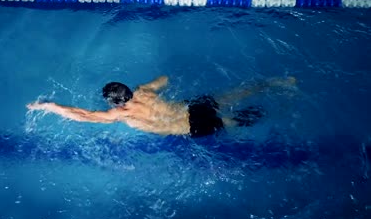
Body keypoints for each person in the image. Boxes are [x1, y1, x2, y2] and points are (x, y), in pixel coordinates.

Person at [27, 76, 296, 137]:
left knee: (232, 122)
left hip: (190, 125)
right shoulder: (144, 91)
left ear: (114, 103)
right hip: (191, 107)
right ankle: (277, 83)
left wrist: (49, 106)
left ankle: (273, 113)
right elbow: (165, 79)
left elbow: (83, 115)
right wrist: (149, 88)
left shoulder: (119, 114)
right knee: (231, 95)